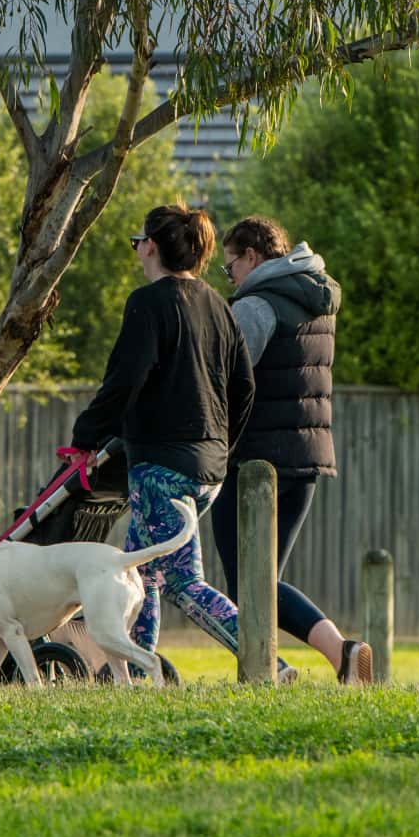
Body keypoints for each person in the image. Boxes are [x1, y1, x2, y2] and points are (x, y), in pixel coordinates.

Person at [70, 203, 266, 670]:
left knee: (180, 580)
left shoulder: (149, 302)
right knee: (141, 570)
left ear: (152, 246)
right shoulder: (219, 305)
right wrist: (223, 446)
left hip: (162, 466)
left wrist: (87, 435)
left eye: (138, 243)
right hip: (208, 468)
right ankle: (139, 669)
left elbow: (125, 378)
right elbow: (245, 386)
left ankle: (266, 659)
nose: (137, 252)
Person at [213, 215, 373, 685]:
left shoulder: (258, 304)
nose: (231, 279)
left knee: (249, 582)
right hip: (307, 459)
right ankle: (334, 656)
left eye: (230, 268)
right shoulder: (315, 299)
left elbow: (225, 379)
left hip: (255, 461)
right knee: (263, 578)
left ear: (251, 256)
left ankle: (314, 658)